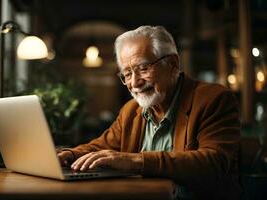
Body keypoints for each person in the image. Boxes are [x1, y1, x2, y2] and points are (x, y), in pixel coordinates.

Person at [57, 26, 241, 199]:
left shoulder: (214, 99)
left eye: (143, 68)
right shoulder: (131, 110)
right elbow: (102, 147)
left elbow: (213, 163)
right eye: (127, 74)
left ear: (173, 64)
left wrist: (137, 161)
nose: (135, 83)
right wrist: (71, 155)